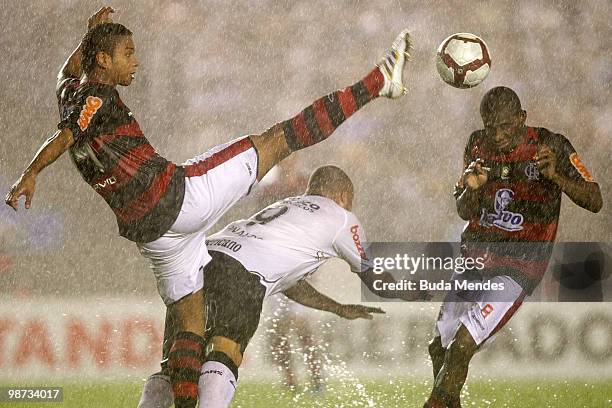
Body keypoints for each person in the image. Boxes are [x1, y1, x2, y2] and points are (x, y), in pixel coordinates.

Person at [5, 7, 413, 407]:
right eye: (127, 53)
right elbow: (67, 133)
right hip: (181, 198)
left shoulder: (71, 92)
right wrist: (32, 172)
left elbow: (65, 75)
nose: (136, 61)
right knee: (278, 140)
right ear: (103, 61)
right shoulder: (96, 98)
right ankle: (379, 82)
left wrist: (86, 37)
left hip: (153, 236)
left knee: (189, 330)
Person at [137, 165, 426, 408]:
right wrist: (418, 291)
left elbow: (290, 283)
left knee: (176, 362)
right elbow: (375, 278)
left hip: (201, 258)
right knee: (225, 353)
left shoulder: (286, 206)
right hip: (242, 274)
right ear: (341, 195)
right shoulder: (341, 217)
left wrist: (336, 308)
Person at [423, 86, 602, 408]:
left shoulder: (552, 145)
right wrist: (472, 190)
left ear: (522, 118)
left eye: (506, 126)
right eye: (492, 127)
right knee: (439, 347)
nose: (499, 135)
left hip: (519, 266)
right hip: (475, 257)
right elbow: (465, 211)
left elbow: (595, 199)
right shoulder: (477, 144)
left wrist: (557, 176)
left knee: (461, 346)